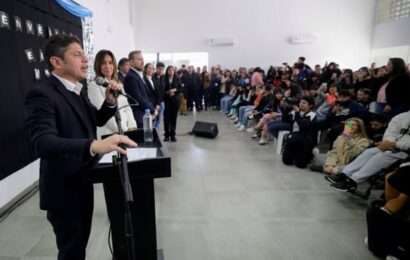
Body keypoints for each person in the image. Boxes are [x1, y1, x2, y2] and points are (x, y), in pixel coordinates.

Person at [24, 35, 137, 260]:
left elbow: (94, 119)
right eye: (77, 55)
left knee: (79, 246)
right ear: (57, 62)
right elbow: (43, 143)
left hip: (82, 181)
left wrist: (110, 102)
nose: (85, 61)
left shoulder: (77, 89)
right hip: (63, 190)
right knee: (72, 251)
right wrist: (94, 145)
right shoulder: (42, 94)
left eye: (85, 55)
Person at [327, 110, 410, 191]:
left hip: (404, 151)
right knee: (370, 152)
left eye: (354, 125)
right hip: (389, 146)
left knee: (380, 156)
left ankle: (353, 181)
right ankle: (344, 174)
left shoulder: (364, 140)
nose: (351, 127)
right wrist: (389, 142)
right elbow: (334, 150)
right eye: (349, 125)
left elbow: (354, 152)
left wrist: (395, 144)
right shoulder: (401, 117)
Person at [87, 50, 136, 137]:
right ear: (98, 65)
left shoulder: (119, 84)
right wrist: (122, 130)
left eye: (110, 63)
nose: (107, 66)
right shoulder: (93, 86)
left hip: (125, 133)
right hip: (108, 135)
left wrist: (132, 128)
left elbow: (127, 108)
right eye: (103, 63)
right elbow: (103, 114)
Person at [123, 50, 155, 127]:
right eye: (139, 59)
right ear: (131, 62)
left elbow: (146, 95)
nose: (142, 62)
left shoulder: (138, 75)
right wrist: (152, 109)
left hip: (144, 115)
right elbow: (138, 98)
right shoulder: (131, 77)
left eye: (142, 59)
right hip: (138, 117)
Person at [163, 66, 180, 142]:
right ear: (167, 71)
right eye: (169, 70)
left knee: (173, 118)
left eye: (172, 70)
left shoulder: (177, 78)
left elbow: (181, 88)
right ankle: (166, 135)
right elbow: (161, 89)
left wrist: (175, 91)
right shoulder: (164, 79)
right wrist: (167, 92)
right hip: (166, 101)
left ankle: (173, 135)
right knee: (166, 119)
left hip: (175, 101)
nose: (171, 72)